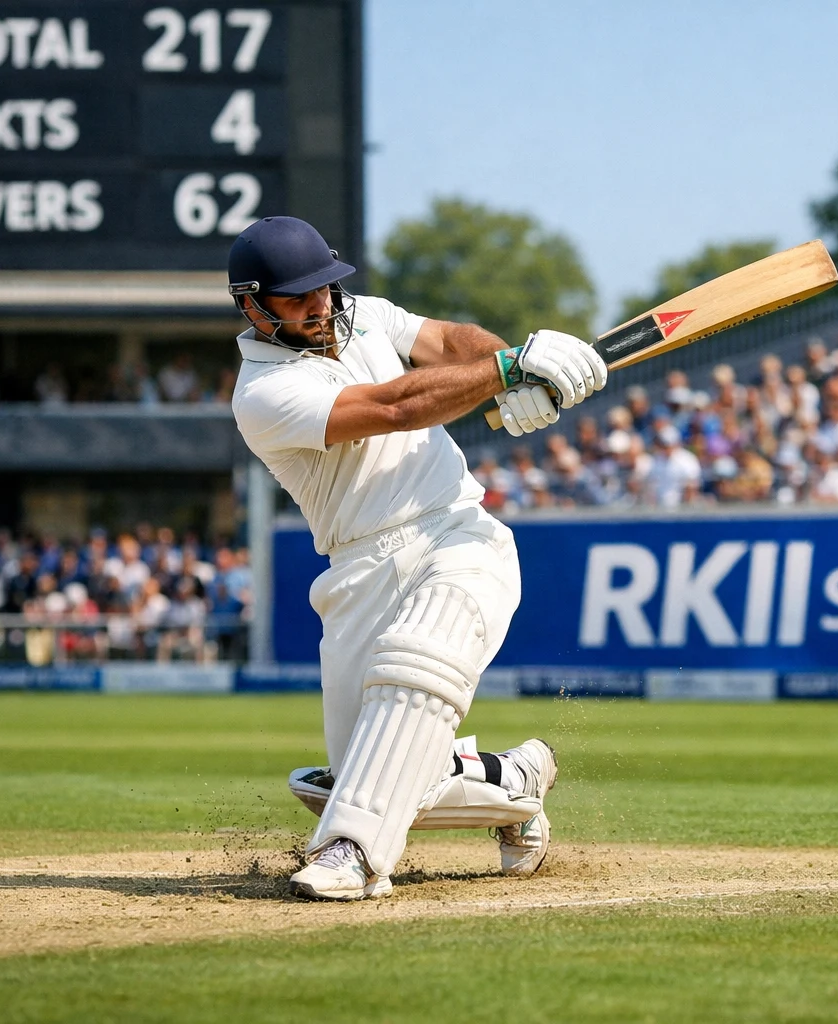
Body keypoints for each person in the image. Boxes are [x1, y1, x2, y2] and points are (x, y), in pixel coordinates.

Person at [227, 216, 606, 900]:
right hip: (359, 570)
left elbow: (450, 343)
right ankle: (514, 782)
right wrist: (510, 369)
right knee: (379, 777)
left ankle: (351, 853)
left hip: (457, 535)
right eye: (297, 298)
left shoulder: (363, 315)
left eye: (325, 288)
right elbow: (395, 407)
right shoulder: (261, 396)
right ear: (252, 306)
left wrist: (509, 368)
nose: (321, 305)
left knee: (414, 660)